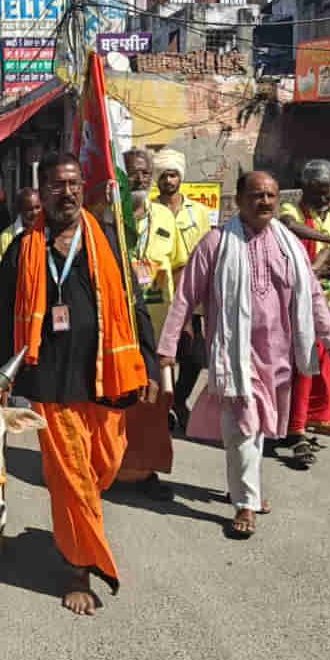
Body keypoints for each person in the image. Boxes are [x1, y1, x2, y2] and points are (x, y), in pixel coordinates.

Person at [0, 152, 162, 616]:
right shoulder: (22, 248)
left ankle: (78, 529)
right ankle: (79, 568)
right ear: (41, 191)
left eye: (72, 184)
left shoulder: (106, 237)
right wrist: (0, 377)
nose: (65, 193)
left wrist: (148, 360)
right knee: (70, 480)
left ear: (82, 187)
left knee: (103, 465)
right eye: (55, 185)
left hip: (105, 375)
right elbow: (5, 317)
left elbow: (133, 304)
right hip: (49, 382)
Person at [158, 171, 330, 538]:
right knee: (244, 425)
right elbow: (185, 296)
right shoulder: (215, 244)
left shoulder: (289, 244)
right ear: (239, 201)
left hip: (278, 358)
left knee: (259, 429)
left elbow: (311, 296)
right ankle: (246, 503)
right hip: (235, 354)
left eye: (271, 196)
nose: (265, 202)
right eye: (257, 195)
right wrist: (167, 347)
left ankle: (245, 486)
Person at [276, 160, 330, 467]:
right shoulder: (292, 210)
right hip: (291, 306)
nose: (325, 199)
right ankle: (291, 427)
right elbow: (287, 226)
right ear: (305, 188)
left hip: (328, 307)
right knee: (294, 369)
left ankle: (298, 426)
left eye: (329, 193)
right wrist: (325, 241)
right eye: (319, 192)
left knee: (313, 373)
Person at [117, 148, 187, 500]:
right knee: (119, 402)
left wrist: (182, 318)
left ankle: (147, 473)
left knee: (156, 405)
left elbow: (177, 266)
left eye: (145, 173)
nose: (141, 179)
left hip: (158, 329)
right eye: (133, 173)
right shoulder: (109, 218)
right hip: (120, 330)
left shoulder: (163, 216)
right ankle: (113, 468)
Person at [148, 149, 213, 431]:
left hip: (193, 296)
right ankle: (164, 406)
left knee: (194, 356)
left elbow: (207, 253)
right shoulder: (149, 210)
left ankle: (179, 399)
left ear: (180, 177)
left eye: (173, 174)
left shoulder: (198, 211)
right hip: (157, 294)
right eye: (163, 175)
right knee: (162, 355)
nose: (169, 180)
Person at [0, 187, 42, 272]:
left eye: (38, 207)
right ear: (20, 210)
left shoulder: (49, 233)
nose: (35, 213)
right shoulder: (7, 235)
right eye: (29, 209)